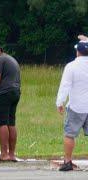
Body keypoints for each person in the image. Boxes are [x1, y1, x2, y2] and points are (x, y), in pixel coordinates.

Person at [56, 41, 88, 171]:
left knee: (70, 134)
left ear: (77, 52)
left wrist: (60, 102)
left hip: (76, 106)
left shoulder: (71, 66)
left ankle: (68, 161)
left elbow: (65, 86)